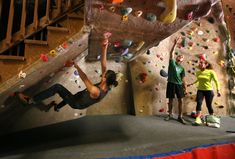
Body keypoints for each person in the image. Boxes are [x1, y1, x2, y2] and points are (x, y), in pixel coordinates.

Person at [18, 35, 118, 112]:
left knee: (58, 88)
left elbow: (85, 78)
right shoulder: (107, 85)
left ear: (104, 79)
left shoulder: (96, 91)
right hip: (81, 97)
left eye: (104, 75)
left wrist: (76, 65)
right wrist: (104, 47)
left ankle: (30, 100)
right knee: (69, 96)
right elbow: (104, 64)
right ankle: (57, 107)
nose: (102, 74)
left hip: (77, 103)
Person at [187, 60, 221, 125]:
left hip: (209, 91)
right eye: (199, 63)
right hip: (200, 90)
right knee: (199, 103)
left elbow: (216, 81)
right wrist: (191, 84)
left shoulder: (211, 72)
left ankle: (212, 118)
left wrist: (218, 90)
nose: (200, 64)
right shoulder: (198, 72)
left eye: (201, 63)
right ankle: (198, 119)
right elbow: (198, 80)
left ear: (206, 64)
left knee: (209, 105)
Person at [165, 37, 187, 124]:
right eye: (179, 56)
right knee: (170, 100)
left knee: (181, 100)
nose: (180, 57)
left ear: (182, 60)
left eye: (181, 57)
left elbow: (183, 79)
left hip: (179, 85)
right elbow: (172, 53)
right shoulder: (172, 63)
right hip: (171, 83)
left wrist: (185, 86)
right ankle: (170, 114)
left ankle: (180, 116)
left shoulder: (182, 68)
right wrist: (175, 44)